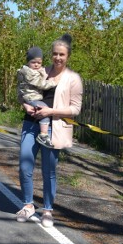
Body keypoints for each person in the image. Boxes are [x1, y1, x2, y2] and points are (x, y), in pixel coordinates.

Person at [17, 34, 83, 228]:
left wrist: (50, 111)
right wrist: (25, 106)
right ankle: (28, 205)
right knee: (24, 166)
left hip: (54, 128)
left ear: (68, 56)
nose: (58, 58)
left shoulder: (73, 79)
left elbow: (75, 109)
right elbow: (23, 91)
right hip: (30, 123)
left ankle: (47, 210)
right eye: (55, 54)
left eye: (61, 54)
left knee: (49, 170)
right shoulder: (40, 71)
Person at [17, 46, 57, 149]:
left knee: (42, 110)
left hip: (30, 97)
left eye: (39, 63)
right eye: (33, 62)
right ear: (28, 62)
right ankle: (43, 135)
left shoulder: (32, 71)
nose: (36, 65)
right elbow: (41, 84)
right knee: (44, 110)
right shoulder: (29, 73)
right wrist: (53, 83)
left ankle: (43, 134)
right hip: (31, 98)